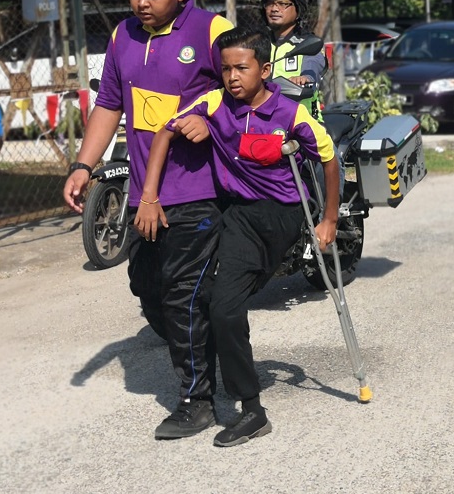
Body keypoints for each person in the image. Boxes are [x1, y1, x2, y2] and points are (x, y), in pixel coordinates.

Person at [136, 26, 339, 447]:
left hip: (276, 215)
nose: (231, 77)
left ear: (264, 70)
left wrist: (329, 220)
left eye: (241, 68)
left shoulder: (290, 113)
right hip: (232, 212)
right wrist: (149, 196)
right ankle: (212, 394)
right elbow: (163, 132)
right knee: (205, 296)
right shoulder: (214, 102)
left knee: (225, 307)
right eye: (225, 69)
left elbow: (328, 156)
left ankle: (252, 410)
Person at [63, 0, 232, 440]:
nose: (141, 4)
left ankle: (196, 399)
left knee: (183, 295)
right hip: (144, 193)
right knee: (149, 290)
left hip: (199, 191)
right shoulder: (122, 36)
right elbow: (109, 104)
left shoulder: (211, 30)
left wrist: (210, 112)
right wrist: (83, 165)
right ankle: (206, 340)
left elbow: (250, 86)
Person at [257, 0, 327, 118]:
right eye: (269, 4)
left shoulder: (308, 43)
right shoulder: (259, 44)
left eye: (283, 3)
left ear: (298, 8)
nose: (274, 9)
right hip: (266, 120)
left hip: (303, 123)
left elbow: (313, 66)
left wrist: (305, 78)